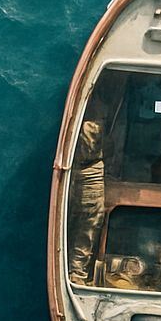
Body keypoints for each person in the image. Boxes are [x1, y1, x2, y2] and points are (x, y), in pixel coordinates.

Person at [68, 119, 105, 284]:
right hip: (86, 165)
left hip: (90, 166)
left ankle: (77, 272)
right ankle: (77, 272)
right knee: (87, 223)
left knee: (88, 221)